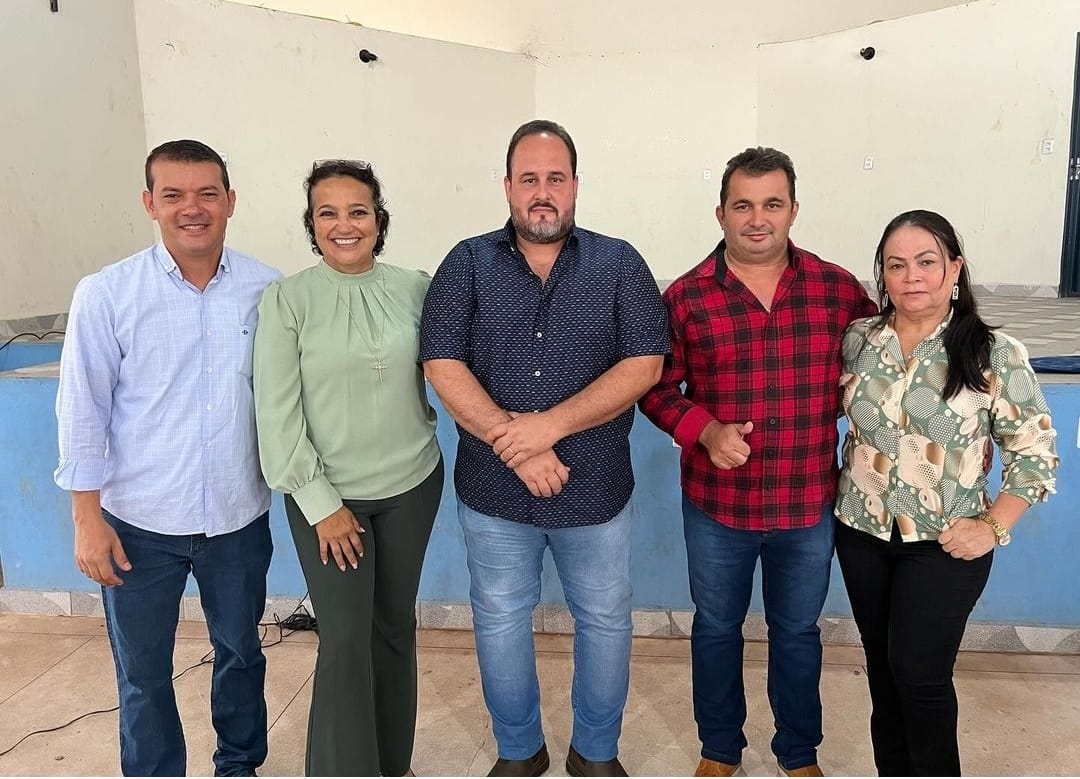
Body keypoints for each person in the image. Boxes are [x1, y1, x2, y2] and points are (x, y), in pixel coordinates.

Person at [420, 119, 668, 778]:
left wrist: (547, 426)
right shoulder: (465, 261)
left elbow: (645, 363)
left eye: (555, 178)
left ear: (575, 185)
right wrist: (519, 444)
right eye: (528, 178)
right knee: (501, 620)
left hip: (596, 488)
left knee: (606, 621)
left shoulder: (620, 262)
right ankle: (519, 750)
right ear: (507, 186)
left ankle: (595, 752)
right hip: (495, 489)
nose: (542, 192)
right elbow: (442, 363)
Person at [639, 146, 877, 778]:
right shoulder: (687, 298)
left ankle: (798, 755)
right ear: (720, 213)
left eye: (772, 204)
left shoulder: (837, 290)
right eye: (742, 205)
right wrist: (705, 429)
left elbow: (890, 369)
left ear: (794, 209)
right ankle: (719, 750)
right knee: (717, 630)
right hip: (719, 504)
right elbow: (657, 389)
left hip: (806, 503)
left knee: (797, 636)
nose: (757, 218)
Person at [54, 139, 280, 777]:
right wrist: (85, 517)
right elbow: (81, 410)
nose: (193, 209)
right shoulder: (107, 293)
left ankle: (239, 764)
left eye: (208, 193)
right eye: (174, 195)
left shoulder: (269, 290)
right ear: (150, 204)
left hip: (237, 518)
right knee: (143, 671)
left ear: (230, 202)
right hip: (137, 525)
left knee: (240, 652)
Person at [834, 209, 1058, 777]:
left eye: (927, 262)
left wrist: (993, 526)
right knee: (884, 677)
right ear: (881, 276)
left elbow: (1034, 454)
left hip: (945, 542)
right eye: (897, 265)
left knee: (920, 675)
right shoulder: (860, 340)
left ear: (954, 268)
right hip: (861, 532)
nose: (913, 276)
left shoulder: (993, 352)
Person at [253, 160, 443, 777]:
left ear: (378, 220)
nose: (343, 224)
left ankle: (394, 764)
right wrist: (321, 504)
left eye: (357, 211)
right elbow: (277, 417)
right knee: (343, 642)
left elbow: (456, 370)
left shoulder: (416, 287)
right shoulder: (287, 301)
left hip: (412, 485)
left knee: (393, 628)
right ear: (311, 225)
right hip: (329, 502)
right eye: (326, 213)